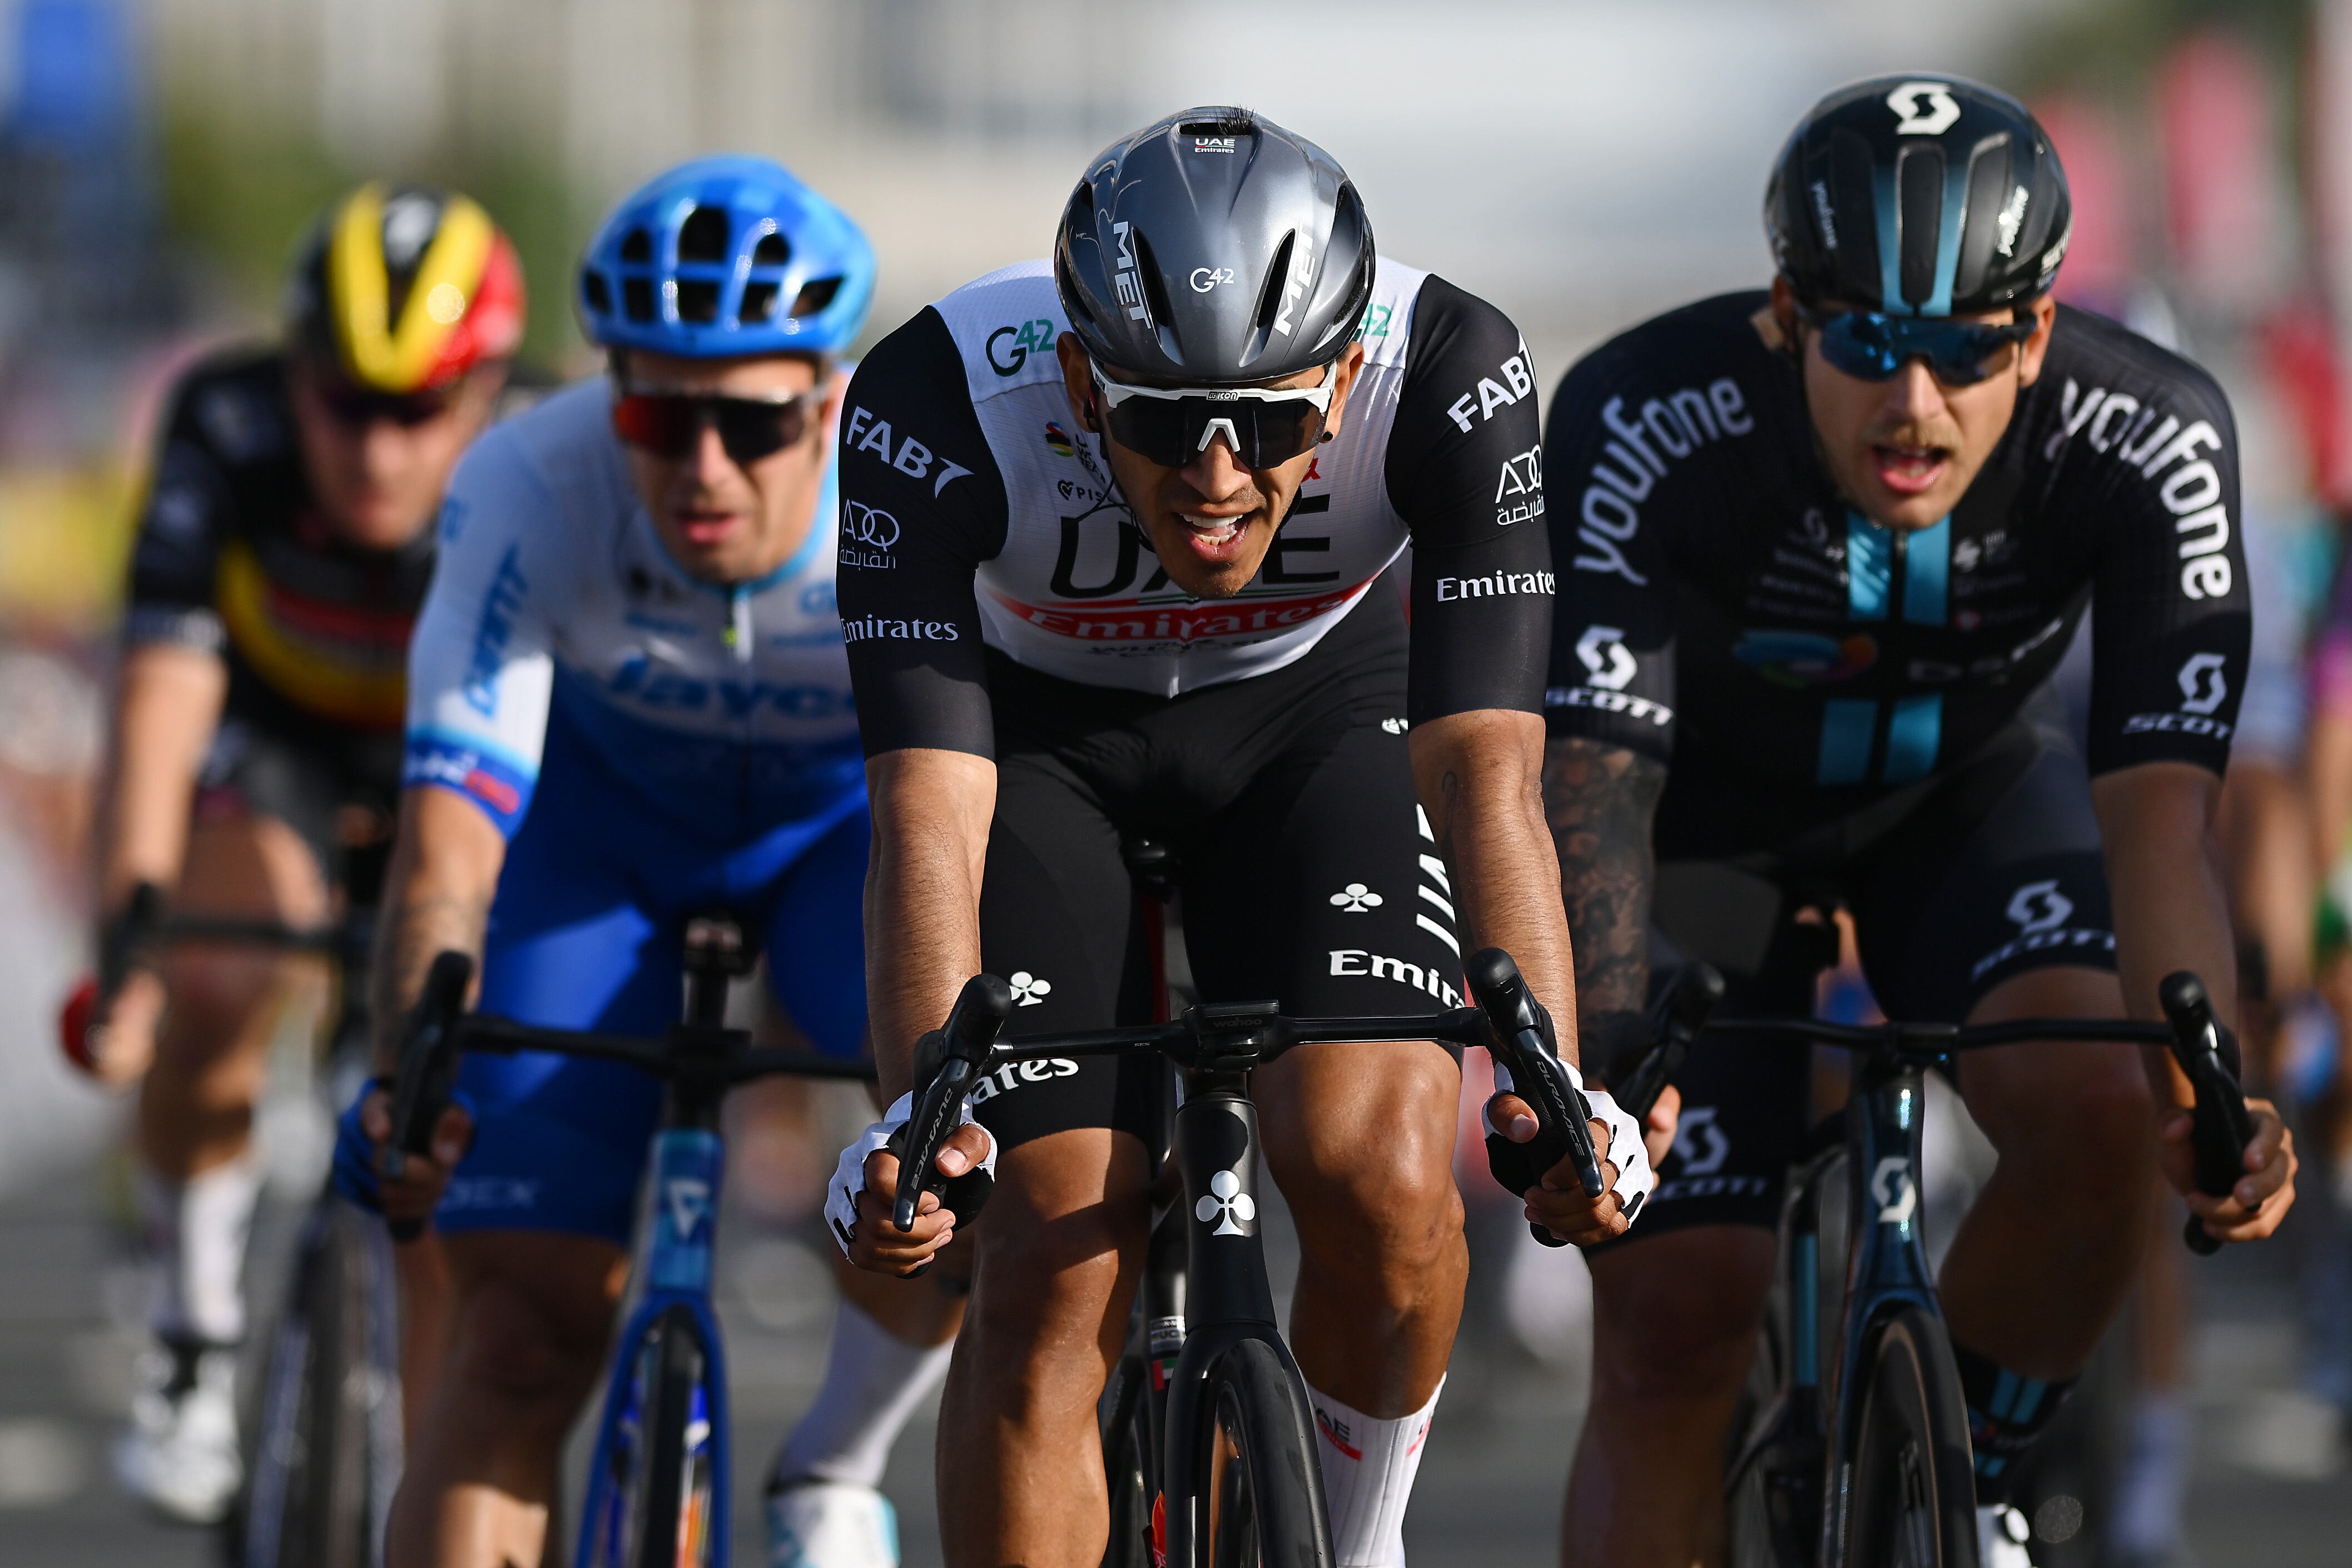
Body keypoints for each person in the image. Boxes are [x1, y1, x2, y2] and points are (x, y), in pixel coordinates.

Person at [821, 105, 1649, 1568]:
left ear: (1341, 380)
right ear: (1078, 378)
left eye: (1268, 424)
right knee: (1044, 1246)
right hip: (1037, 745)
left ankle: (1361, 1539)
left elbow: (1489, 778)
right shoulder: (934, 394)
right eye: (1156, 418)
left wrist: (1550, 1087)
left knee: (1382, 1175)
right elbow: (929, 811)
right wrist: (917, 1118)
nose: (1214, 476)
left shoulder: (1451, 368)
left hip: (1309, 718)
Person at [1537, 77, 2299, 1567]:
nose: (1911, 402)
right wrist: (1611, 1054)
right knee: (1673, 1315)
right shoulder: (1642, 410)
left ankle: (1965, 1465)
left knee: (2097, 1113)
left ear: (2030, 332)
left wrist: (2206, 1086)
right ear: (1783, 313)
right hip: (1707, 843)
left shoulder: (2149, 433)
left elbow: (2158, 816)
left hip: (1960, 810)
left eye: (1961, 348)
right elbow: (1596, 784)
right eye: (1868, 343)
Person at [330, 155, 957, 1568]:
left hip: (837, 841)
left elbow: (968, 812)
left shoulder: (913, 491)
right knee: (515, 1336)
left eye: (750, 421)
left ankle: (832, 1464)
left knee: (966, 1156)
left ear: (833, 402)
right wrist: (407, 1067)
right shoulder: (524, 487)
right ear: (605, 395)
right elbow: (445, 842)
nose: (704, 468)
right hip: (598, 849)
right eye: (657, 417)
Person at [76, 181, 524, 1524]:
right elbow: (157, 699)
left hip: (463, 756)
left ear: (491, 391)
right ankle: (190, 1336)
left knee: (465, 1078)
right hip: (277, 746)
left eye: (418, 411)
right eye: (345, 403)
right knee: (213, 968)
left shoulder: (550, 447)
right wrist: (127, 949)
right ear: (293, 374)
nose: (378, 454)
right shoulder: (223, 419)